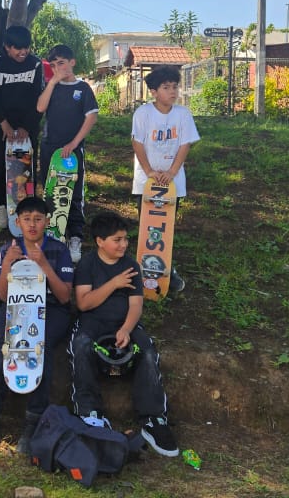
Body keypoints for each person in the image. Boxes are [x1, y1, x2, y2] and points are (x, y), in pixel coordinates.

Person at [68, 212, 179, 457]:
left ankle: (154, 420)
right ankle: (89, 413)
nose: (123, 244)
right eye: (117, 240)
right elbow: (84, 303)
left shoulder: (131, 265)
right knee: (82, 346)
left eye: (125, 239)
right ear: (100, 241)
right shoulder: (87, 264)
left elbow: (137, 305)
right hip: (93, 322)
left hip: (124, 322)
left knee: (147, 351)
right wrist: (114, 283)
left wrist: (126, 329)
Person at [0, 197, 74, 453]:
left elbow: (64, 296)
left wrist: (43, 265)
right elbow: (4, 296)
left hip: (51, 308)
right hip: (17, 306)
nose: (32, 225)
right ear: (17, 222)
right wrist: (7, 262)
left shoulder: (59, 250)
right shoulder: (9, 247)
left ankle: (34, 419)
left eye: (38, 219)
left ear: (47, 222)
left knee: (42, 344)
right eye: (26, 219)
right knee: (4, 344)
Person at [131, 66, 199, 295]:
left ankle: (166, 269)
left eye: (175, 87)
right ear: (153, 91)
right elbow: (137, 143)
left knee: (165, 226)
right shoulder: (143, 113)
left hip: (173, 182)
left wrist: (171, 172)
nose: (173, 92)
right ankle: (142, 270)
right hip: (146, 180)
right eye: (166, 87)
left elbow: (185, 144)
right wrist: (150, 171)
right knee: (147, 225)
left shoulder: (183, 114)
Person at [35, 44, 98, 263]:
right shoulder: (51, 86)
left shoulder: (84, 89)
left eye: (61, 63)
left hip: (72, 151)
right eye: (53, 65)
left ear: (72, 62)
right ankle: (54, 234)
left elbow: (91, 118)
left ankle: (76, 237)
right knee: (51, 191)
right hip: (49, 147)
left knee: (74, 192)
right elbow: (40, 108)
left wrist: (74, 143)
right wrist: (52, 81)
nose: (57, 68)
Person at [0, 25, 44, 230]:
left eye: (26, 48)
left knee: (26, 166)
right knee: (0, 165)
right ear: (7, 47)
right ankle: (0, 205)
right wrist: (3, 123)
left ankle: (27, 208)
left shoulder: (36, 64)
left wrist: (28, 126)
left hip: (28, 124)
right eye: (17, 48)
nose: (22, 52)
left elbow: (40, 97)